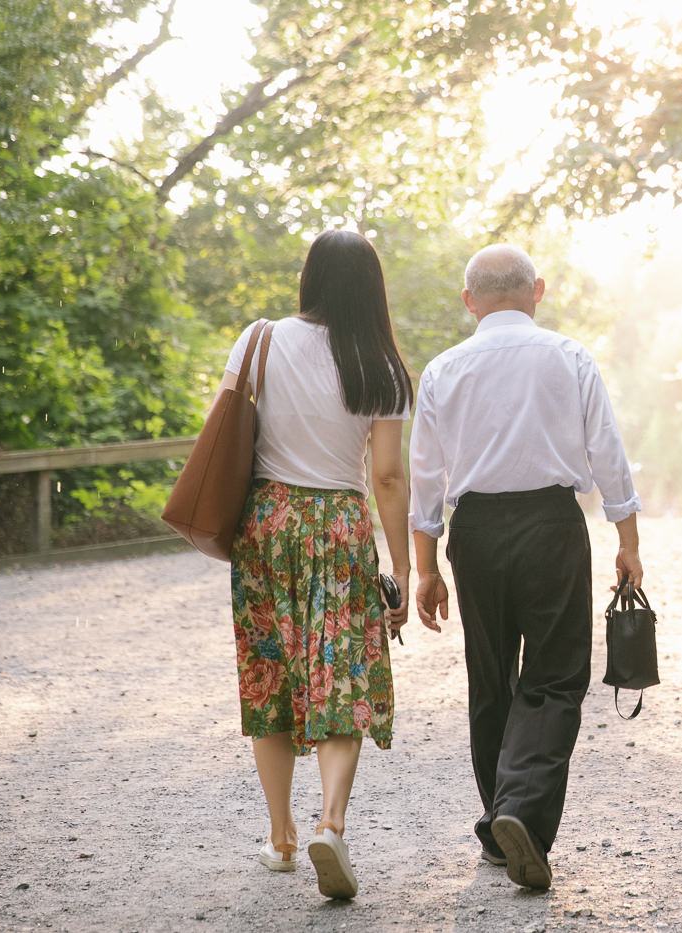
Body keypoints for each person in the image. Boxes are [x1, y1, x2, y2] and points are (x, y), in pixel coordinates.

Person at [408, 243, 643, 890]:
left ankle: (497, 825)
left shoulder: (442, 370)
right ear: (536, 290)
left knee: (491, 680)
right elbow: (608, 453)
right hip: (551, 526)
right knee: (556, 676)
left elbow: (426, 478)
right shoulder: (569, 357)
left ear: (469, 301)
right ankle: (519, 815)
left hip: (476, 532)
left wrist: (426, 566)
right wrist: (628, 540)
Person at [225, 229, 413, 900]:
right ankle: (330, 822)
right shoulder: (383, 365)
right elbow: (387, 477)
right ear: (372, 288)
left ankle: (280, 836)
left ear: (309, 278)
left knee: (270, 670)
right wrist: (404, 566)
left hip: (266, 523)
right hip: (339, 526)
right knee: (342, 672)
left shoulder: (258, 340)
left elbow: (228, 431)